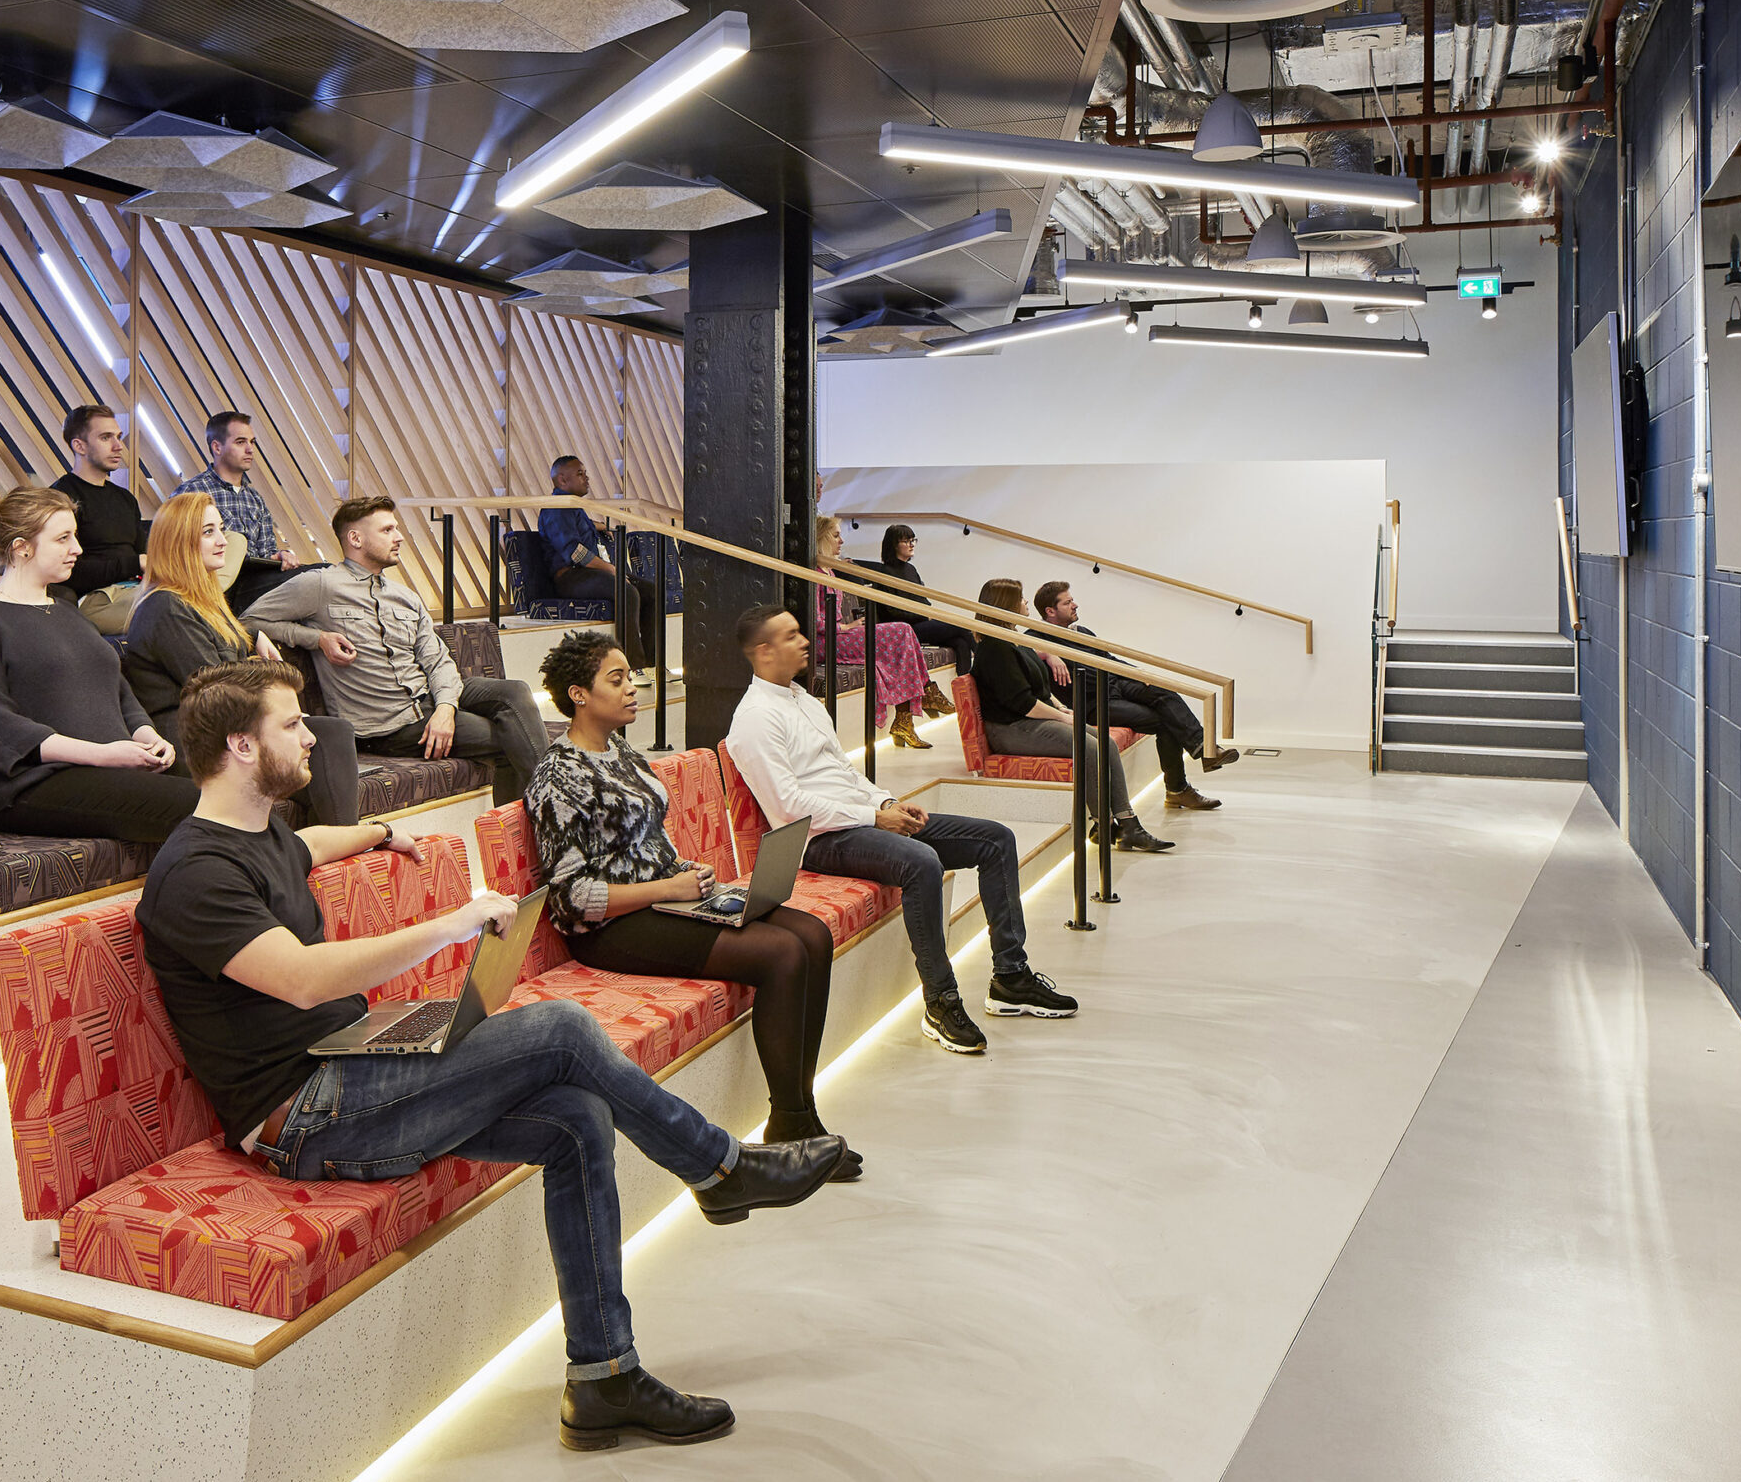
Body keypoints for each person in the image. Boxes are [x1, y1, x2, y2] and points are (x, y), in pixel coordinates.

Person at [136, 658, 843, 1450]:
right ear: (240, 745)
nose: (312, 735)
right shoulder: (194, 873)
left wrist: (378, 831)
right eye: (291, 723)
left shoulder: (257, 830)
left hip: (351, 1064)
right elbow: (301, 982)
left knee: (576, 1117)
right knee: (564, 1028)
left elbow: (305, 845)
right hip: (303, 1111)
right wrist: (454, 921)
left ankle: (604, 1376)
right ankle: (720, 1168)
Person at [525, 630, 854, 1175]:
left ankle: (802, 1112)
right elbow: (570, 899)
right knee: (781, 953)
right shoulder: (558, 776)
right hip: (613, 930)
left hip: (666, 900)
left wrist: (685, 872)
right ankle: (790, 1121)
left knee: (813, 934)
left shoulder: (621, 749)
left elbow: (647, 840)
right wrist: (664, 890)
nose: (633, 688)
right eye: (617, 679)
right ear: (578, 694)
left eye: (631, 675)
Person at [724, 603, 1077, 1057]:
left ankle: (1010, 977)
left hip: (859, 818)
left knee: (995, 839)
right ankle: (940, 1003)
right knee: (922, 862)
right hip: (817, 841)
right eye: (792, 636)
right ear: (764, 652)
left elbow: (845, 775)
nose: (805, 641)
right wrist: (875, 817)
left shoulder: (804, 700)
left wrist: (885, 802)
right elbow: (789, 809)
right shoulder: (754, 718)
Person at [246, 497, 549, 804]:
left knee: (515, 691)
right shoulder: (320, 585)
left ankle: (544, 811)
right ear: (355, 538)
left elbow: (438, 659)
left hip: (430, 699)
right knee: (513, 739)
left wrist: (446, 707)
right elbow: (247, 620)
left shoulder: (404, 596)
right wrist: (317, 638)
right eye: (388, 529)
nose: (399, 536)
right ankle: (541, 821)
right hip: (390, 725)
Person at [0, 485, 196, 844]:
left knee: (231, 793)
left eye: (74, 536)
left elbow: (118, 693)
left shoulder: (67, 611)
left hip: (107, 768)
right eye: (63, 538)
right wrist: (104, 756)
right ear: (21, 547)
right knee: (202, 808)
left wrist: (149, 737)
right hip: (31, 784)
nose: (77, 548)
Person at [123, 494, 363, 826]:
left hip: (227, 729)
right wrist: (271, 686)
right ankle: (341, 849)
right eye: (209, 532)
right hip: (191, 738)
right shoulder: (164, 606)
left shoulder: (205, 602)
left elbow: (231, 666)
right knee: (329, 738)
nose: (223, 541)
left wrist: (252, 642)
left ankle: (330, 852)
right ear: (179, 542)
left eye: (221, 529)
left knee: (322, 764)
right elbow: (217, 686)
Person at [972, 580, 1174, 855]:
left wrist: (1060, 707)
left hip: (1032, 719)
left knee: (1106, 742)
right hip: (1012, 728)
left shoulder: (1013, 639)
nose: (1025, 603)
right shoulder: (995, 647)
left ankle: (1126, 824)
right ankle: (1105, 823)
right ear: (1005, 605)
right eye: (1020, 598)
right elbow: (1023, 703)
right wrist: (1063, 718)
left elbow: (1039, 688)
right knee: (1089, 747)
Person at [1034, 579, 1234, 812]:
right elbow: (1021, 649)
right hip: (1094, 703)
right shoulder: (1036, 638)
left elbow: (1109, 660)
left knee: (1163, 690)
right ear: (1050, 611)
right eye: (1068, 602)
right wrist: (1047, 653)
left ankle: (1203, 749)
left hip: (1115, 683)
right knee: (1165, 721)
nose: (1075, 605)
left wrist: (1139, 674)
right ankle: (1179, 789)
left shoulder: (1083, 631)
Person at [173, 409, 311, 615]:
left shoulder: (255, 499)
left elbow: (266, 553)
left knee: (317, 574)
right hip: (212, 587)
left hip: (253, 582)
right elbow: (174, 552)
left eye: (252, 442)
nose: (250, 449)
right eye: (240, 442)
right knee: (313, 580)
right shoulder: (191, 493)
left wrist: (280, 556)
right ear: (217, 447)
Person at [811, 516, 935, 745]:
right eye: (836, 535)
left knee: (904, 632)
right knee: (901, 632)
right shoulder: (816, 574)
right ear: (821, 538)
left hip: (839, 635)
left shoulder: (830, 570)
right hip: (826, 640)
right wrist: (845, 626)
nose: (842, 541)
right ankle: (924, 695)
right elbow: (815, 622)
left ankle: (906, 717)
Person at [538, 455, 661, 662]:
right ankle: (633, 664)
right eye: (580, 474)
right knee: (627, 591)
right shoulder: (556, 507)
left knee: (651, 592)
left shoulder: (571, 506)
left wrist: (602, 526)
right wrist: (611, 569)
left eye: (585, 473)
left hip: (589, 574)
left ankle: (653, 663)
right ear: (562, 480)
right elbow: (574, 552)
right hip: (571, 577)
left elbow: (581, 526)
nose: (587, 478)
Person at [52, 404, 145, 624]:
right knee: (168, 608)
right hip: (96, 598)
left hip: (137, 589)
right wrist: (135, 564)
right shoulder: (61, 498)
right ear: (79, 446)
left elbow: (144, 555)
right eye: (106, 438)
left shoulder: (126, 499)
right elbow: (68, 573)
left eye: (118, 437)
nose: (118, 446)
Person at [875, 523, 973, 681]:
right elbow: (891, 612)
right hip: (905, 629)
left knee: (960, 642)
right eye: (906, 541)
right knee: (960, 626)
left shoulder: (910, 569)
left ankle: (965, 684)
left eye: (913, 540)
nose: (911, 544)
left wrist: (926, 613)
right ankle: (987, 670)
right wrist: (923, 616)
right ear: (893, 545)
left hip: (920, 622)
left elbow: (923, 601)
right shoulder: (885, 572)